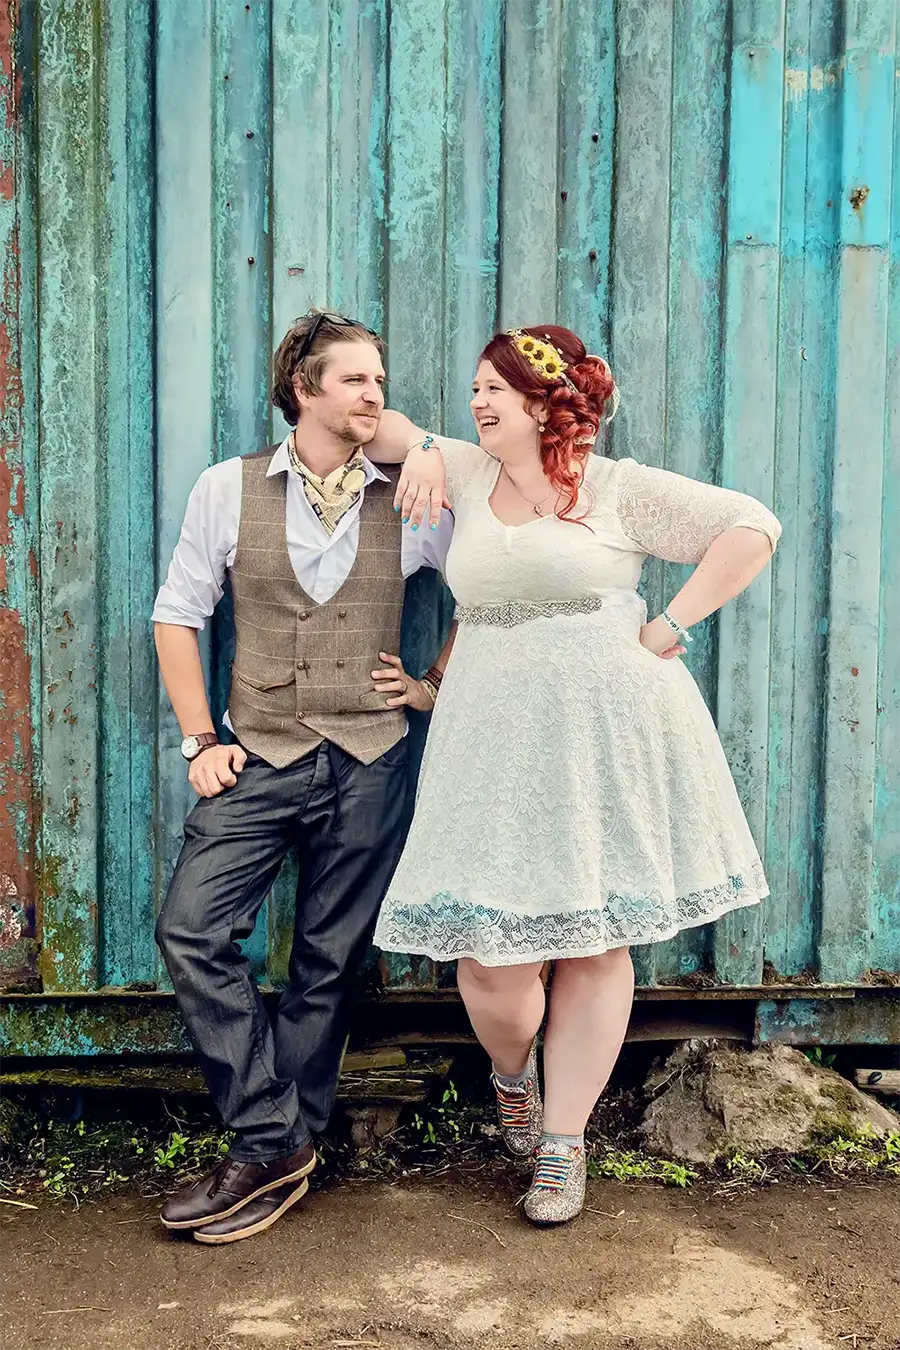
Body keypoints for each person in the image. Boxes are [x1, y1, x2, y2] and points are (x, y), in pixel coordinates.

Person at [369, 324, 781, 1225]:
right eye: (474, 388)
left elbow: (753, 527)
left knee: (597, 939)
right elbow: (382, 429)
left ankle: (563, 1144)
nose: (478, 402)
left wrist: (668, 628)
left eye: (495, 392)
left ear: (546, 404)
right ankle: (512, 1075)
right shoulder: (468, 474)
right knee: (491, 961)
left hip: (603, 732)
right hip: (489, 739)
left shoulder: (617, 489)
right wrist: (432, 448)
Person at [152, 311, 454, 1245]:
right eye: (358, 381)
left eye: (380, 380)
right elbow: (177, 615)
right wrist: (202, 739)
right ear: (304, 391)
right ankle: (273, 1136)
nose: (376, 396)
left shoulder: (410, 492)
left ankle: (277, 1151)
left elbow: (487, 590)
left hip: (370, 760)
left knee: (328, 960)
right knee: (192, 930)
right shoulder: (227, 488)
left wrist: (431, 683)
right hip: (260, 750)